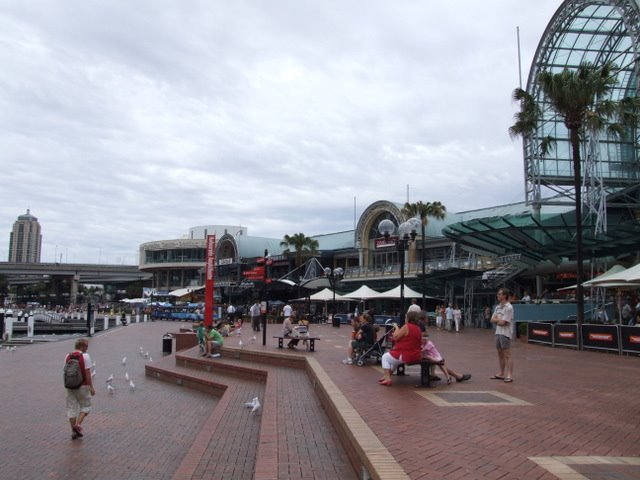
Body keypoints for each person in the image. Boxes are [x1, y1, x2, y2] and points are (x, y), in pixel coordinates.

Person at [378, 311, 423, 386]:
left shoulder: (407, 326)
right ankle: (387, 375)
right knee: (394, 361)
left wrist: (396, 328)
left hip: (406, 354)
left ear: (408, 318)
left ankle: (387, 379)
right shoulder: (418, 329)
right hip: (416, 354)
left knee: (385, 357)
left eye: (406, 317)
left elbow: (395, 337)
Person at [64, 338, 95, 440]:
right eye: (86, 346)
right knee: (86, 407)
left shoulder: (67, 356)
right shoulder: (85, 356)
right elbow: (87, 373)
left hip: (70, 386)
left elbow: (65, 371)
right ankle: (77, 425)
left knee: (71, 408)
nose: (87, 348)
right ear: (81, 346)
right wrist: (91, 387)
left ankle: (73, 432)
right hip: (83, 385)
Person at [490, 288, 514, 383]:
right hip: (498, 332)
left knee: (507, 354)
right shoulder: (497, 307)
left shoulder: (509, 307)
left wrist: (498, 320)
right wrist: (498, 321)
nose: (498, 296)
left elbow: (505, 322)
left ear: (504, 295)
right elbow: (492, 319)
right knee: (500, 353)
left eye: (499, 294)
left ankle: (510, 374)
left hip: (506, 333)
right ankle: (501, 372)